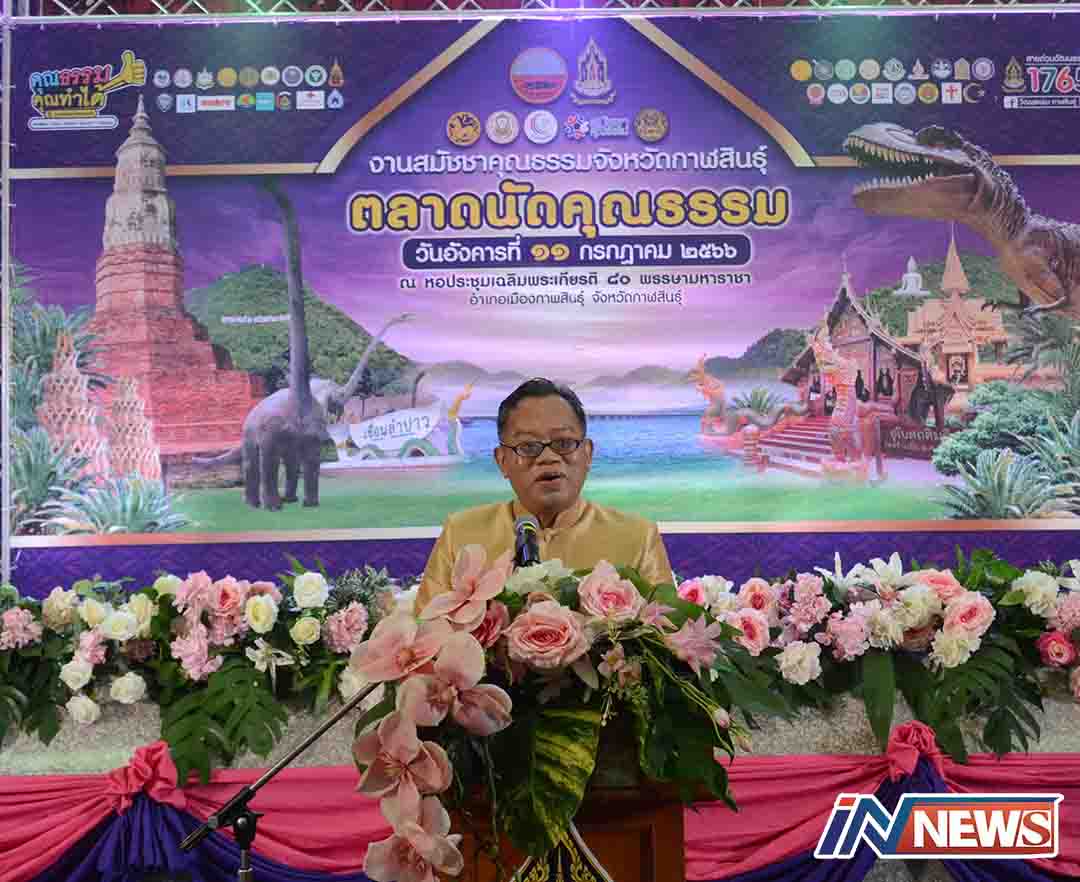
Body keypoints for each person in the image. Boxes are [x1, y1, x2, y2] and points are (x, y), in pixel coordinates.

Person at [415, 378, 673, 614]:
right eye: (528, 446)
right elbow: (424, 633)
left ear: (588, 454)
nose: (548, 457)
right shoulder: (461, 534)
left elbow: (671, 638)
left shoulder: (638, 537)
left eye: (564, 443)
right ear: (502, 461)